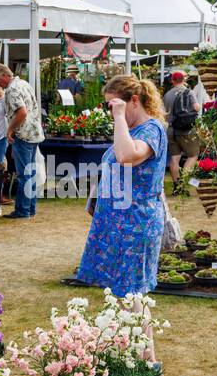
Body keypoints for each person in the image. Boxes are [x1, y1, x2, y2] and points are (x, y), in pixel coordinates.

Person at [75, 74, 168, 297]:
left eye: (115, 105)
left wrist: (118, 117)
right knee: (119, 296)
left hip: (136, 223)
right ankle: (127, 334)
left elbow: (127, 156)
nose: (111, 111)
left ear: (134, 101)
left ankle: (140, 333)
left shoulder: (151, 129)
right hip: (117, 224)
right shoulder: (131, 129)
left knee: (133, 295)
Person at [0, 64, 44, 219]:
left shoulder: (12, 89)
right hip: (34, 134)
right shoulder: (23, 83)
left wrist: (9, 129)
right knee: (30, 174)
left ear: (4, 75)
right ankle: (30, 209)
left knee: (24, 175)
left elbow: (22, 112)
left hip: (23, 135)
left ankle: (22, 211)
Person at [162, 70, 200, 187]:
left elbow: (164, 113)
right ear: (184, 80)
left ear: (172, 80)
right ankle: (183, 182)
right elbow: (196, 108)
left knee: (174, 159)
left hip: (171, 130)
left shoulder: (167, 95)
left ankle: (176, 186)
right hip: (186, 129)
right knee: (193, 155)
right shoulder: (188, 92)